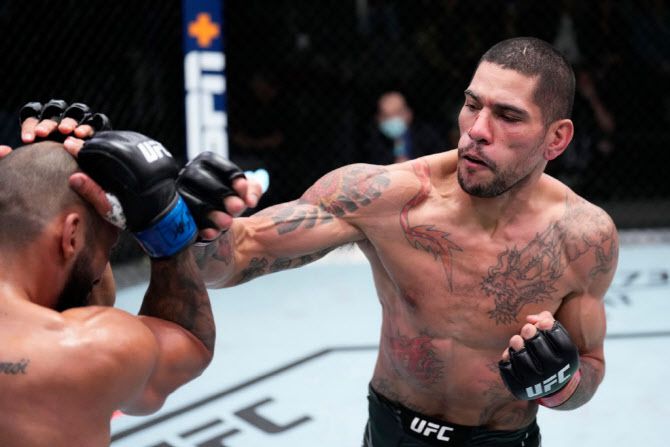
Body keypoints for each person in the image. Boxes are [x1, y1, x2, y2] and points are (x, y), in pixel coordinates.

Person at [37, 37, 620, 446]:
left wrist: (561, 383)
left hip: (506, 440)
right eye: (472, 104)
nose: (477, 131)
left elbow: (588, 371)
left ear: (557, 138)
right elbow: (231, 260)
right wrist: (195, 224)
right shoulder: (387, 195)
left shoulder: (584, 239)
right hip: (393, 432)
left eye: (508, 116)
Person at [0, 123, 220, 446]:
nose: (103, 267)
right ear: (71, 236)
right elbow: (191, 346)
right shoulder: (83, 351)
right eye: (107, 248)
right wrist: (163, 226)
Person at [364, 91, 445, 164]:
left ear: (409, 113)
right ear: (378, 119)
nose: (393, 119)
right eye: (386, 116)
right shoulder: (372, 143)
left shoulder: (427, 136)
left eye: (397, 113)